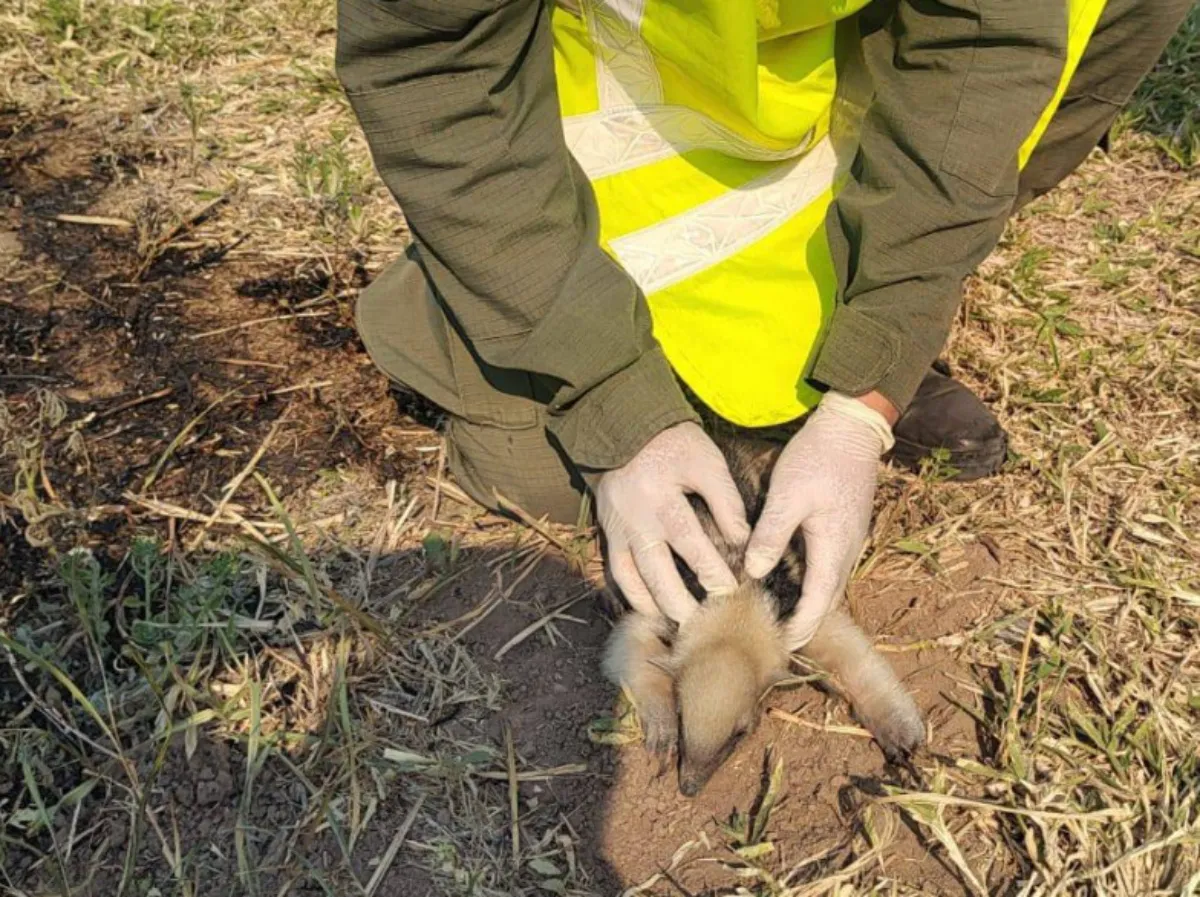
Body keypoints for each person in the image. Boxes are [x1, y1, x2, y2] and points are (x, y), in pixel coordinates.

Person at [334, 0, 1190, 644]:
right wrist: (611, 401)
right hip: (603, 115)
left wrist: (868, 388)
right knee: (540, 473)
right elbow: (432, 65)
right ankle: (578, 336)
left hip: (815, 84)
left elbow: (984, 43)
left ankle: (855, 311)